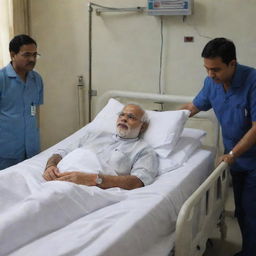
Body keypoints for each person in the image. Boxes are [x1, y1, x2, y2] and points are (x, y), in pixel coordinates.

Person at [181, 38, 256, 256]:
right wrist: (161, 121)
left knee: (252, 211)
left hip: (250, 157)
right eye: (207, 69)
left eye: (216, 69)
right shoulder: (211, 83)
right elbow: (193, 107)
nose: (211, 75)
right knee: (242, 210)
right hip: (236, 158)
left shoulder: (252, 81)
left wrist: (232, 154)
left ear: (232, 63)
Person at [43, 104, 158, 190]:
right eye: (121, 115)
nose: (123, 118)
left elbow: (138, 181)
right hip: (58, 177)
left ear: (143, 127)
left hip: (92, 188)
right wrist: (50, 166)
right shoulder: (95, 135)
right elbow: (61, 153)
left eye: (131, 117)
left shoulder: (144, 150)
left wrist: (94, 179)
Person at [0, 34, 44, 170]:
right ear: (13, 55)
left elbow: (35, 113)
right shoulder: (2, 79)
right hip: (6, 152)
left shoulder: (37, 79)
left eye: (35, 55)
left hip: (32, 150)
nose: (32, 59)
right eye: (26, 55)